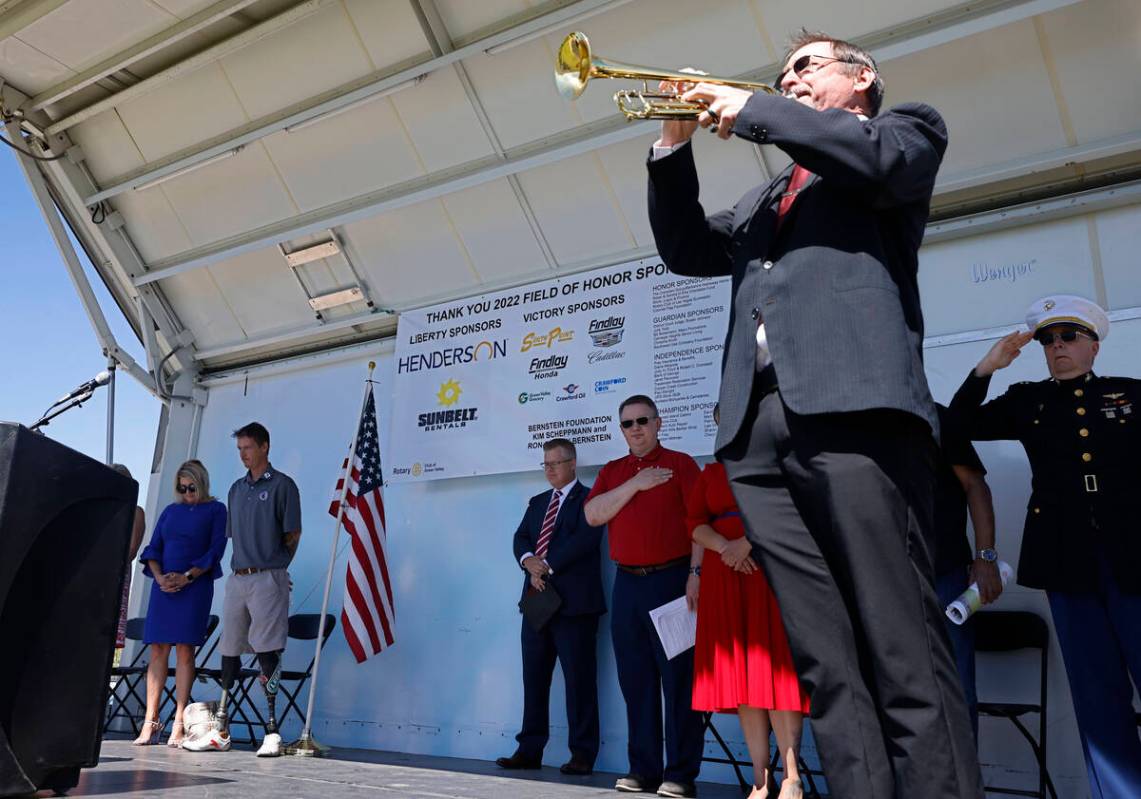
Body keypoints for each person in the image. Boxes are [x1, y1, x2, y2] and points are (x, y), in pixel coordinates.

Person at [645, 29, 981, 799]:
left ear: (861, 78)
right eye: (780, 74)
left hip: (854, 411)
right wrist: (672, 143)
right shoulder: (766, 196)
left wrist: (756, 106)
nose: (788, 79)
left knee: (901, 646)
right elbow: (687, 249)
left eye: (804, 67)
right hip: (757, 436)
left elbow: (868, 160)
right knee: (824, 659)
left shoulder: (904, 133)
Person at [950, 294, 1141, 799]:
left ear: (1093, 346)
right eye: (1048, 340)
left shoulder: (1131, 394)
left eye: (1069, 338)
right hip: (1067, 562)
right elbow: (957, 426)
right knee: (1098, 697)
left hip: (1133, 557)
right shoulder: (1028, 400)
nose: (1057, 346)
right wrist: (987, 367)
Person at [584, 395, 703, 798]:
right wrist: (635, 483)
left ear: (658, 422)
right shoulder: (614, 471)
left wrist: (696, 574)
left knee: (678, 682)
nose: (635, 428)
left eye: (642, 421)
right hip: (628, 586)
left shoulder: (682, 464)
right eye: (627, 423)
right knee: (635, 681)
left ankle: (681, 774)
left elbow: (699, 523)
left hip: (671, 582)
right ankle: (643, 770)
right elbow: (593, 514)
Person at [687, 405, 808, 799]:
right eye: (723, 421)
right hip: (726, 576)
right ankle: (761, 779)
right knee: (742, 680)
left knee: (776, 674)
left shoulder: (779, 460)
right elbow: (695, 524)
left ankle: (792, 777)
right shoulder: (711, 472)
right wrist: (725, 548)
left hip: (770, 571)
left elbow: (797, 509)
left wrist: (749, 542)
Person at [182, 422, 302, 756]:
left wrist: (278, 570)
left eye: (248, 448)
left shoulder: (282, 485)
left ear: (264, 446)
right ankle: (220, 727)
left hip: (268, 577)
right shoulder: (236, 489)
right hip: (238, 577)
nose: (243, 455)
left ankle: (272, 729)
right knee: (229, 648)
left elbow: (293, 534)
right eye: (239, 449)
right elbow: (235, 537)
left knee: (267, 649)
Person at [497, 438, 605, 776]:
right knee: (534, 678)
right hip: (536, 605)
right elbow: (521, 539)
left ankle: (583, 754)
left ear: (572, 464)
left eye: (555, 463)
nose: (549, 469)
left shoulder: (590, 500)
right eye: (545, 464)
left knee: (579, 681)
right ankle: (529, 749)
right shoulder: (537, 501)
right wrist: (529, 561)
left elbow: (585, 541)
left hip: (574, 607)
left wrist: (547, 566)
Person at [132, 460, 227, 747]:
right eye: (181, 487)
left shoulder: (216, 510)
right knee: (157, 649)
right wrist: (160, 577)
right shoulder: (170, 511)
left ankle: (180, 721)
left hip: (193, 587)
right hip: (164, 588)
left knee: (185, 651)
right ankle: (151, 721)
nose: (186, 492)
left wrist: (187, 577)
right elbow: (153, 548)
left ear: (202, 483)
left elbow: (216, 550)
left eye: (191, 487)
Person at [933, 404, 1003, 738]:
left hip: (942, 576)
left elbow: (975, 485)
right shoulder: (856, 425)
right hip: (880, 580)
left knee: (956, 691)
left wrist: (985, 558)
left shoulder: (936, 416)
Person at [111, 463, 146, 651]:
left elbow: (132, 549)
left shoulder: (136, 512)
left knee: (109, 628)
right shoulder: (105, 511)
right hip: (96, 572)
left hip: (116, 572)